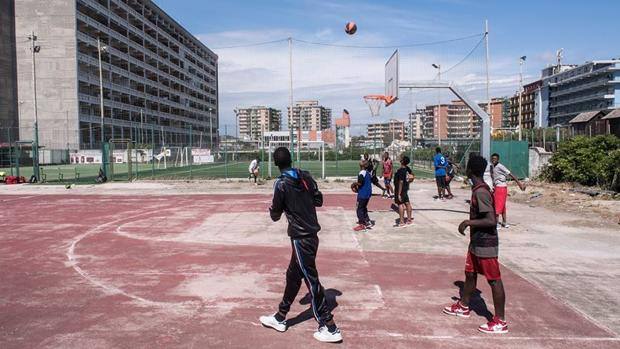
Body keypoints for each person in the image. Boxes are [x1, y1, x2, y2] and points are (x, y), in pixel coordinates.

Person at [260, 147, 343, 343]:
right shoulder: (304, 176)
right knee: (293, 276)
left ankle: (329, 326)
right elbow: (318, 200)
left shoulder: (280, 184)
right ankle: (280, 317)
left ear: (276, 163)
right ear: (290, 159)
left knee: (311, 280)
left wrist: (273, 209)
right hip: (311, 235)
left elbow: (275, 215)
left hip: (301, 238)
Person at [443, 155, 508, 334]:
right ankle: (464, 305)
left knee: (494, 280)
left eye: (466, 166)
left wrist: (468, 222)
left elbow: (491, 220)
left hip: (486, 244)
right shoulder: (477, 189)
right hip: (476, 242)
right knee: (470, 274)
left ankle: (500, 321)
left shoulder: (481, 192)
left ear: (470, 170)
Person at [490, 153, 526, 229]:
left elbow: (510, 174)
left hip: (501, 188)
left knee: (497, 206)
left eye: (495, 159)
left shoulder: (500, 166)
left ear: (498, 159)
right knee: (502, 206)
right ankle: (504, 222)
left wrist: (519, 184)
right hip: (498, 187)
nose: (493, 160)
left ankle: (497, 223)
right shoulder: (493, 166)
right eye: (492, 158)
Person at [353, 160, 373, 231]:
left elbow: (360, 183)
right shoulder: (367, 173)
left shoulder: (361, 173)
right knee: (364, 207)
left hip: (363, 194)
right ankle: (367, 221)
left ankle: (362, 224)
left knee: (359, 209)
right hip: (368, 192)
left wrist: (354, 184)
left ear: (362, 165)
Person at [394, 155, 413, 227]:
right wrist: (410, 181)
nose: (400, 159)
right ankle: (409, 219)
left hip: (400, 189)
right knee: (407, 203)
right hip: (405, 188)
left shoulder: (401, 170)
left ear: (402, 161)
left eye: (401, 159)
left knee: (400, 204)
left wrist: (399, 194)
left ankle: (402, 221)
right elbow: (412, 175)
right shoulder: (407, 168)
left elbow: (401, 182)